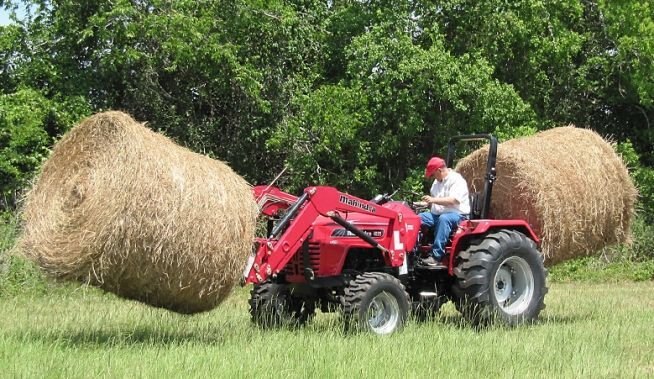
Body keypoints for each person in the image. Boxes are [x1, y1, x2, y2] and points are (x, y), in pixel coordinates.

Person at [418, 156, 470, 267]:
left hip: (457, 215)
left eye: (433, 174)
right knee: (418, 218)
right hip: (437, 214)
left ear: (439, 170)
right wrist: (424, 203)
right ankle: (413, 250)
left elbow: (453, 200)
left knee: (444, 219)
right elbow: (434, 201)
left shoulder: (457, 180)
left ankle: (436, 256)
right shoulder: (436, 183)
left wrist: (433, 200)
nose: (432, 177)